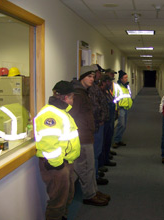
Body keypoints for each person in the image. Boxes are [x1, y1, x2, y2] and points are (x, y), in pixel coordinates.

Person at [34, 80, 81, 220]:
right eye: (72, 97)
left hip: (65, 163)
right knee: (57, 202)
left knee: (67, 196)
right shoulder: (50, 114)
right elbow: (49, 143)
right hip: (56, 166)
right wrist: (58, 164)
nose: (73, 100)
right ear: (66, 97)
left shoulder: (61, 112)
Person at [69, 66, 110, 206]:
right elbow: (71, 117)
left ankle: (94, 190)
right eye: (89, 76)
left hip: (88, 135)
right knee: (85, 167)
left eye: (93, 76)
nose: (92, 79)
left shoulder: (84, 92)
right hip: (82, 137)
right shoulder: (78, 95)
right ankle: (89, 195)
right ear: (82, 77)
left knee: (90, 166)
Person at [88, 64, 110, 185]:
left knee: (97, 151)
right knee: (95, 151)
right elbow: (95, 107)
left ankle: (96, 172)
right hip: (96, 124)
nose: (99, 75)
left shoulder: (95, 86)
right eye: (97, 73)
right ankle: (94, 177)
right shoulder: (91, 88)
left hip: (100, 123)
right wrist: (100, 118)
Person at [98, 74, 117, 170]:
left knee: (107, 140)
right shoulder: (99, 92)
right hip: (103, 121)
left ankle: (105, 159)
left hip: (109, 119)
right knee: (102, 143)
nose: (111, 83)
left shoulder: (107, 91)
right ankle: (101, 163)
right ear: (104, 82)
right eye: (109, 81)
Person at [112, 70, 133, 148]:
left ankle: (119, 139)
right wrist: (116, 108)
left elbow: (129, 95)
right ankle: (116, 140)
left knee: (123, 126)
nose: (126, 79)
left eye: (127, 78)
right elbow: (114, 98)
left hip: (126, 108)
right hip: (120, 108)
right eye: (125, 78)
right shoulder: (117, 87)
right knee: (121, 125)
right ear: (121, 79)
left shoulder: (127, 86)